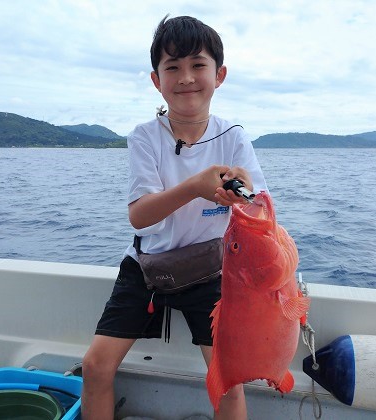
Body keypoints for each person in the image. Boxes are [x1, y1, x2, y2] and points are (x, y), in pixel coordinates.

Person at [81, 15, 267, 420]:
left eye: (198, 65)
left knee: (228, 381)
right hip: (146, 267)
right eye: (173, 67)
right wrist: (195, 187)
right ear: (156, 80)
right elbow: (139, 216)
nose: (186, 77)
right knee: (95, 366)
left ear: (219, 75)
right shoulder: (145, 137)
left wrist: (245, 196)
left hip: (211, 270)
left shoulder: (234, 137)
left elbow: (261, 210)